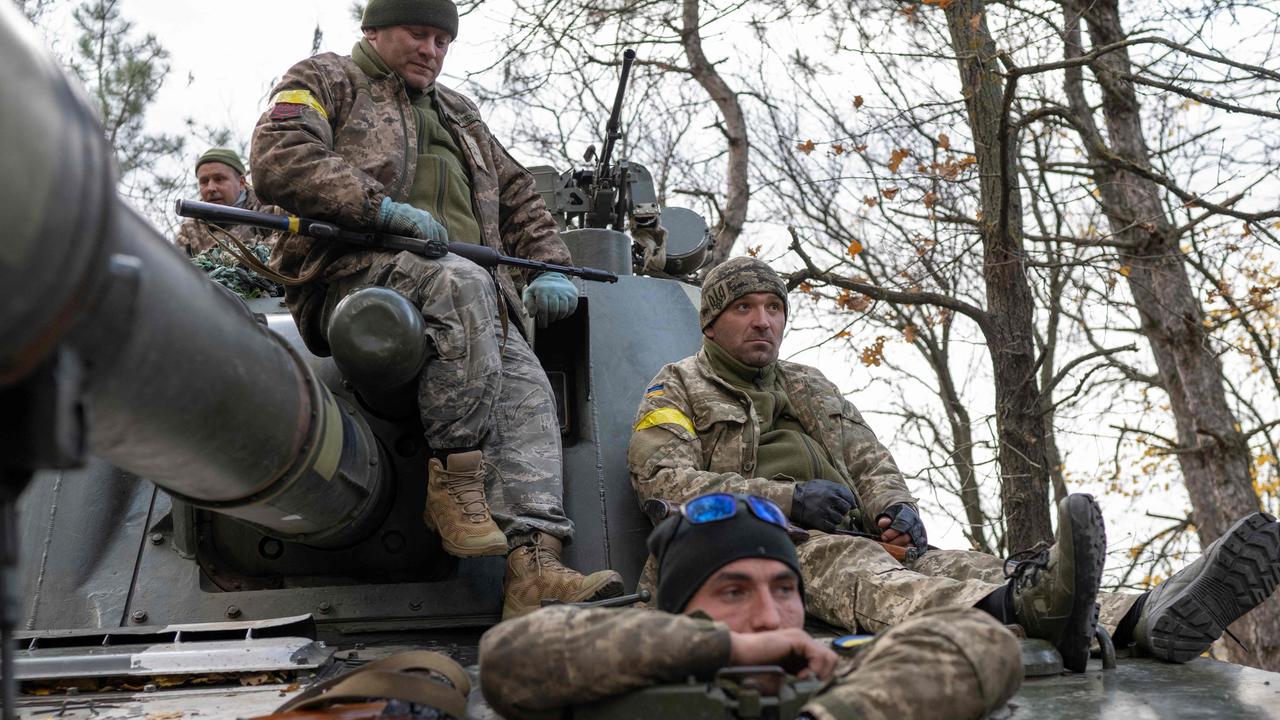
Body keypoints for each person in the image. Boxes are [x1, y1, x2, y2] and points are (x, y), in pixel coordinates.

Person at [628, 255, 1280, 669]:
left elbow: (868, 455)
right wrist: (791, 501)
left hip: (854, 534)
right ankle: (1020, 609)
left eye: (774, 307)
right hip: (763, 544)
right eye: (744, 308)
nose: (763, 321)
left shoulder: (808, 382)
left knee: (962, 561)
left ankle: (1145, 614)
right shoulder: (677, 385)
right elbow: (661, 482)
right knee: (861, 571)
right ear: (711, 322)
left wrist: (896, 511)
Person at [249, 0, 620, 618]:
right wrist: (378, 209)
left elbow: (520, 195)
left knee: (527, 389)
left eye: (442, 40)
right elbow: (279, 154)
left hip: (464, 295)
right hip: (355, 274)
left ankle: (534, 568)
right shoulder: (328, 79)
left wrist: (549, 263)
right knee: (461, 282)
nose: (431, 50)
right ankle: (454, 480)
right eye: (417, 34)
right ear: (373, 31)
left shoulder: (460, 115)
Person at [479, 492, 1023, 720]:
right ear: (678, 611)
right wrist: (728, 649)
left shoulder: (836, 676)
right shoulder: (618, 676)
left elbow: (985, 642)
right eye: (733, 592)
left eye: (785, 591)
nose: (770, 617)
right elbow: (508, 660)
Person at [174, 148, 283, 298]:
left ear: (241, 182)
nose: (211, 188)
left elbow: (283, 252)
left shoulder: (269, 210)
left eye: (219, 179)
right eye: (204, 181)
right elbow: (178, 273)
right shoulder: (191, 227)